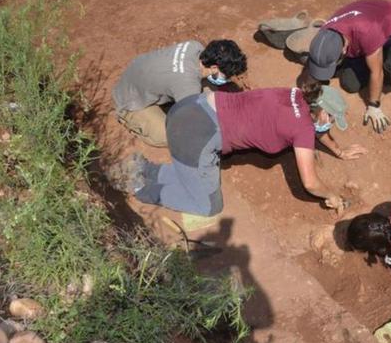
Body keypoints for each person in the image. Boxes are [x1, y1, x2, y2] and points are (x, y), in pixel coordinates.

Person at [118, 79, 366, 216]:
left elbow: (314, 128)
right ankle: (141, 189)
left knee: (192, 175)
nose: (331, 124)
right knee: (208, 206)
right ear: (320, 111)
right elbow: (311, 183)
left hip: (192, 106)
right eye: (331, 118)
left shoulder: (295, 94)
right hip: (199, 134)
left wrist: (339, 151)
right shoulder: (301, 128)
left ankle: (144, 168)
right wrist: (331, 195)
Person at [305, 0, 391, 134]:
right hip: (369, 26)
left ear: (344, 50)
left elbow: (377, 72)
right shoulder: (325, 34)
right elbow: (316, 63)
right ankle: (373, 52)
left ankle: (382, 53)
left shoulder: (366, 32)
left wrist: (373, 106)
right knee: (350, 84)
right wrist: (311, 95)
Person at [112, 39, 247, 147]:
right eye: (227, 75)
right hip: (131, 100)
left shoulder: (195, 46)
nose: (228, 78)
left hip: (140, 76)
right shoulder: (187, 85)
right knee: (176, 137)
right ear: (214, 67)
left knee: (209, 93)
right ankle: (128, 118)